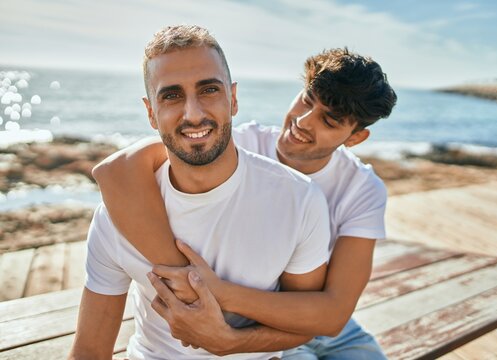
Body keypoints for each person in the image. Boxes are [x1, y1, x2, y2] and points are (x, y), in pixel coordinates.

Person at [93, 44, 397, 359]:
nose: (304, 121)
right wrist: (187, 280)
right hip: (258, 328)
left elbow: (332, 316)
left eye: (329, 121)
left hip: (315, 322)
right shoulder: (238, 142)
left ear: (355, 138)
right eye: (307, 100)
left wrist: (219, 298)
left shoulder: (362, 189)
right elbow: (117, 171)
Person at [68, 25, 333, 360]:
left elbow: (304, 322)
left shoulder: (299, 200)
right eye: (171, 95)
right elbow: (90, 349)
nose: (193, 114)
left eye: (208, 90)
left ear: (233, 99)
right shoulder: (117, 213)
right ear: (151, 112)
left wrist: (229, 342)